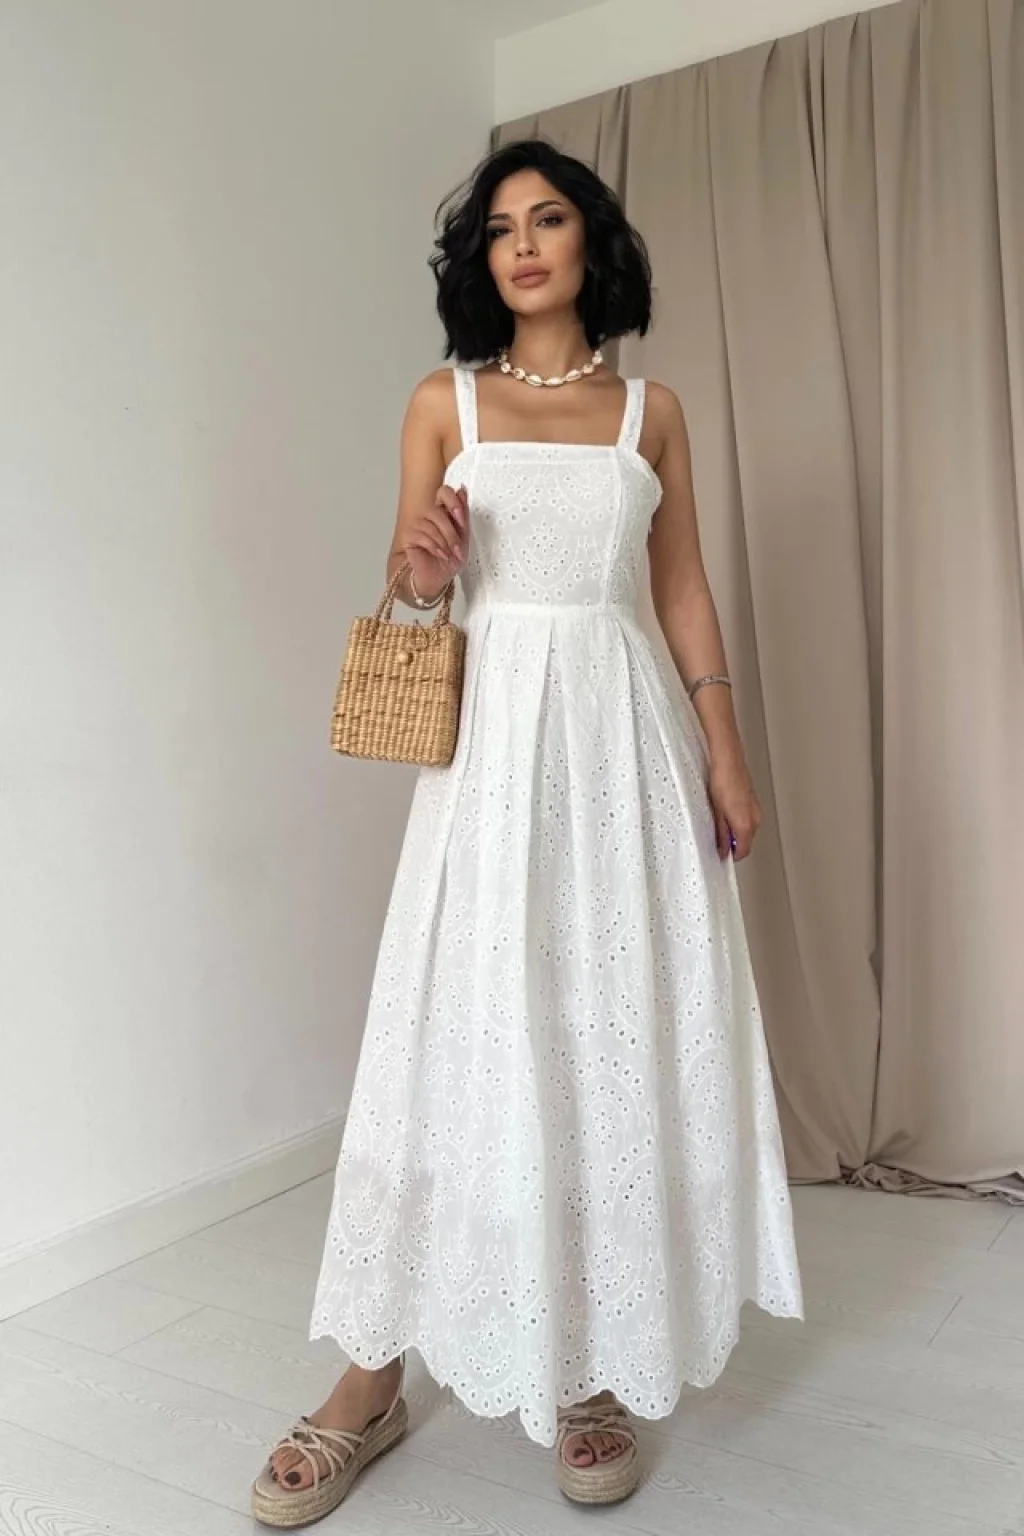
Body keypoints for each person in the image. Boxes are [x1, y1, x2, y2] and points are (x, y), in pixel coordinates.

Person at [251, 137, 803, 1528]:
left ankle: (593, 1365)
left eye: (548, 219)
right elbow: (411, 577)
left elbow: (683, 591)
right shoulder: (441, 402)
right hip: (493, 750)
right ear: (479, 262)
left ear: (589, 241)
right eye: (500, 229)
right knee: (459, 1027)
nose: (524, 245)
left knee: (602, 1026)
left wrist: (727, 751)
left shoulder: (651, 413)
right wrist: (422, 568)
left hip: (626, 749)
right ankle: (370, 1375)